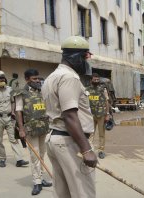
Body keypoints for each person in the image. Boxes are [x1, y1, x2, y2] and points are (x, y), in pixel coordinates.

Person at [42, 36, 97, 198]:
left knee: (63, 193)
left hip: (56, 139)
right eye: (86, 57)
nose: (87, 61)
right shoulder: (69, 77)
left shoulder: (52, 76)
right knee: (83, 193)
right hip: (70, 143)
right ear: (76, 56)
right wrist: (86, 149)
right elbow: (70, 115)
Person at [13, 69, 52, 195]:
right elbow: (18, 111)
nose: (37, 81)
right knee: (34, 156)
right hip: (30, 129)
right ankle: (37, 182)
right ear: (27, 79)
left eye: (38, 78)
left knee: (41, 154)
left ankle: (41, 177)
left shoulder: (42, 91)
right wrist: (21, 128)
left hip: (43, 127)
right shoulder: (21, 93)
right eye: (34, 79)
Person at [0, 70, 29, 168]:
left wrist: (12, 111)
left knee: (13, 139)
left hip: (9, 117)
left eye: (3, 78)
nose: (2, 79)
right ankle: (2, 159)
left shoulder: (9, 89)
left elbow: (13, 102)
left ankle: (19, 160)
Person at [86, 73, 110, 159]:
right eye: (94, 79)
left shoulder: (103, 89)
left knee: (101, 134)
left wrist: (107, 114)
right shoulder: (87, 90)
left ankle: (101, 151)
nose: (96, 81)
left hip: (101, 115)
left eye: (97, 79)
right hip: (90, 115)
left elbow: (107, 102)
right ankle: (89, 149)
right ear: (91, 80)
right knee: (90, 133)